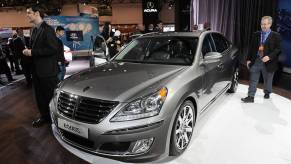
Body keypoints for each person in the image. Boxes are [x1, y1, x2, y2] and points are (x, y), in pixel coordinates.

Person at [23, 5, 59, 127]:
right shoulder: (35, 30)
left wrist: (32, 52)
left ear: (37, 13)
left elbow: (53, 49)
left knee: (50, 97)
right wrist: (29, 51)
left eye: (29, 12)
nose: (27, 15)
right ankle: (45, 117)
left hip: (48, 72)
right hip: (37, 71)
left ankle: (56, 120)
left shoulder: (48, 29)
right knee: (40, 97)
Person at [241, 16, 282, 103]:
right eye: (262, 24)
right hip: (256, 60)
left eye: (266, 24)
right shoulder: (256, 34)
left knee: (267, 80)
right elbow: (251, 48)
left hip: (269, 62)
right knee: (253, 78)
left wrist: (269, 56)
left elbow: (278, 49)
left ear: (270, 24)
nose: (263, 26)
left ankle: (267, 92)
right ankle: (250, 96)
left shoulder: (276, 36)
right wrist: (248, 59)